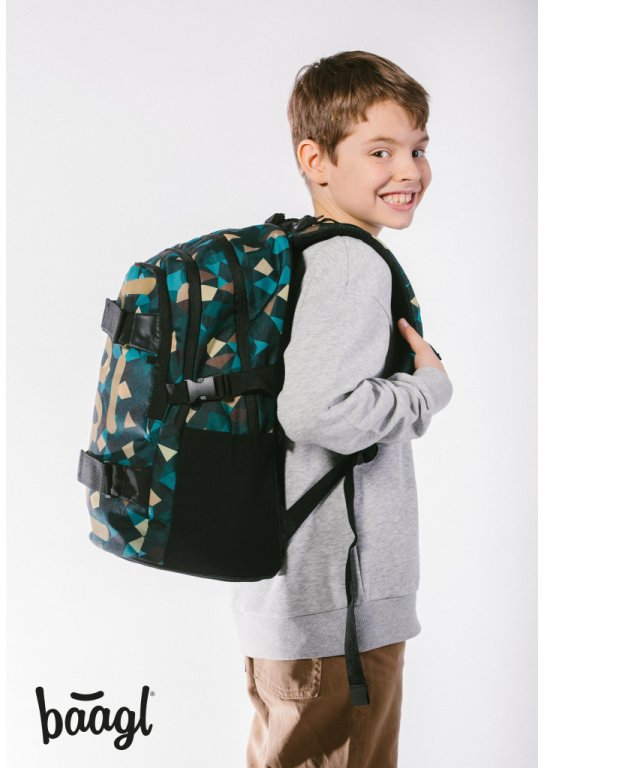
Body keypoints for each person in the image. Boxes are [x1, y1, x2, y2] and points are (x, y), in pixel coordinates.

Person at [230, 51, 454, 767]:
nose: (408, 170)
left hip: (296, 601)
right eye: (380, 151)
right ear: (316, 160)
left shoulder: (299, 254)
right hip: (340, 617)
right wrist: (428, 388)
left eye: (418, 148)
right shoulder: (351, 261)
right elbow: (315, 410)